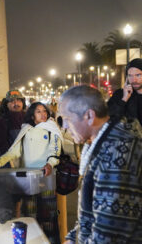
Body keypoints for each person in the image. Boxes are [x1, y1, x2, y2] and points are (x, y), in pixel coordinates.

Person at [60, 85, 142, 243]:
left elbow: (108, 234)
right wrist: (73, 238)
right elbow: (92, 212)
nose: (64, 126)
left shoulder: (116, 154)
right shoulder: (103, 142)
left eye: (67, 119)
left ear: (89, 116)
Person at [0, 102, 63, 244]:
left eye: (44, 111)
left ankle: (49, 241)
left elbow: (54, 151)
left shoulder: (52, 129)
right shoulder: (25, 130)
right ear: (32, 115)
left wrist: (50, 164)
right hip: (29, 180)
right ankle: (31, 240)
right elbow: (14, 151)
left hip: (46, 178)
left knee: (48, 215)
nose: (43, 114)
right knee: (29, 214)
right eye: (38, 111)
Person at [108, 58, 142, 125]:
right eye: (130, 75)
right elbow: (109, 117)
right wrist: (124, 99)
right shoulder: (119, 95)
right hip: (128, 135)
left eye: (138, 75)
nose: (134, 80)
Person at [0, 90, 26, 157]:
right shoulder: (2, 121)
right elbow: (1, 145)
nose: (16, 103)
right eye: (12, 101)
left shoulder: (29, 118)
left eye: (19, 100)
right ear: (6, 104)